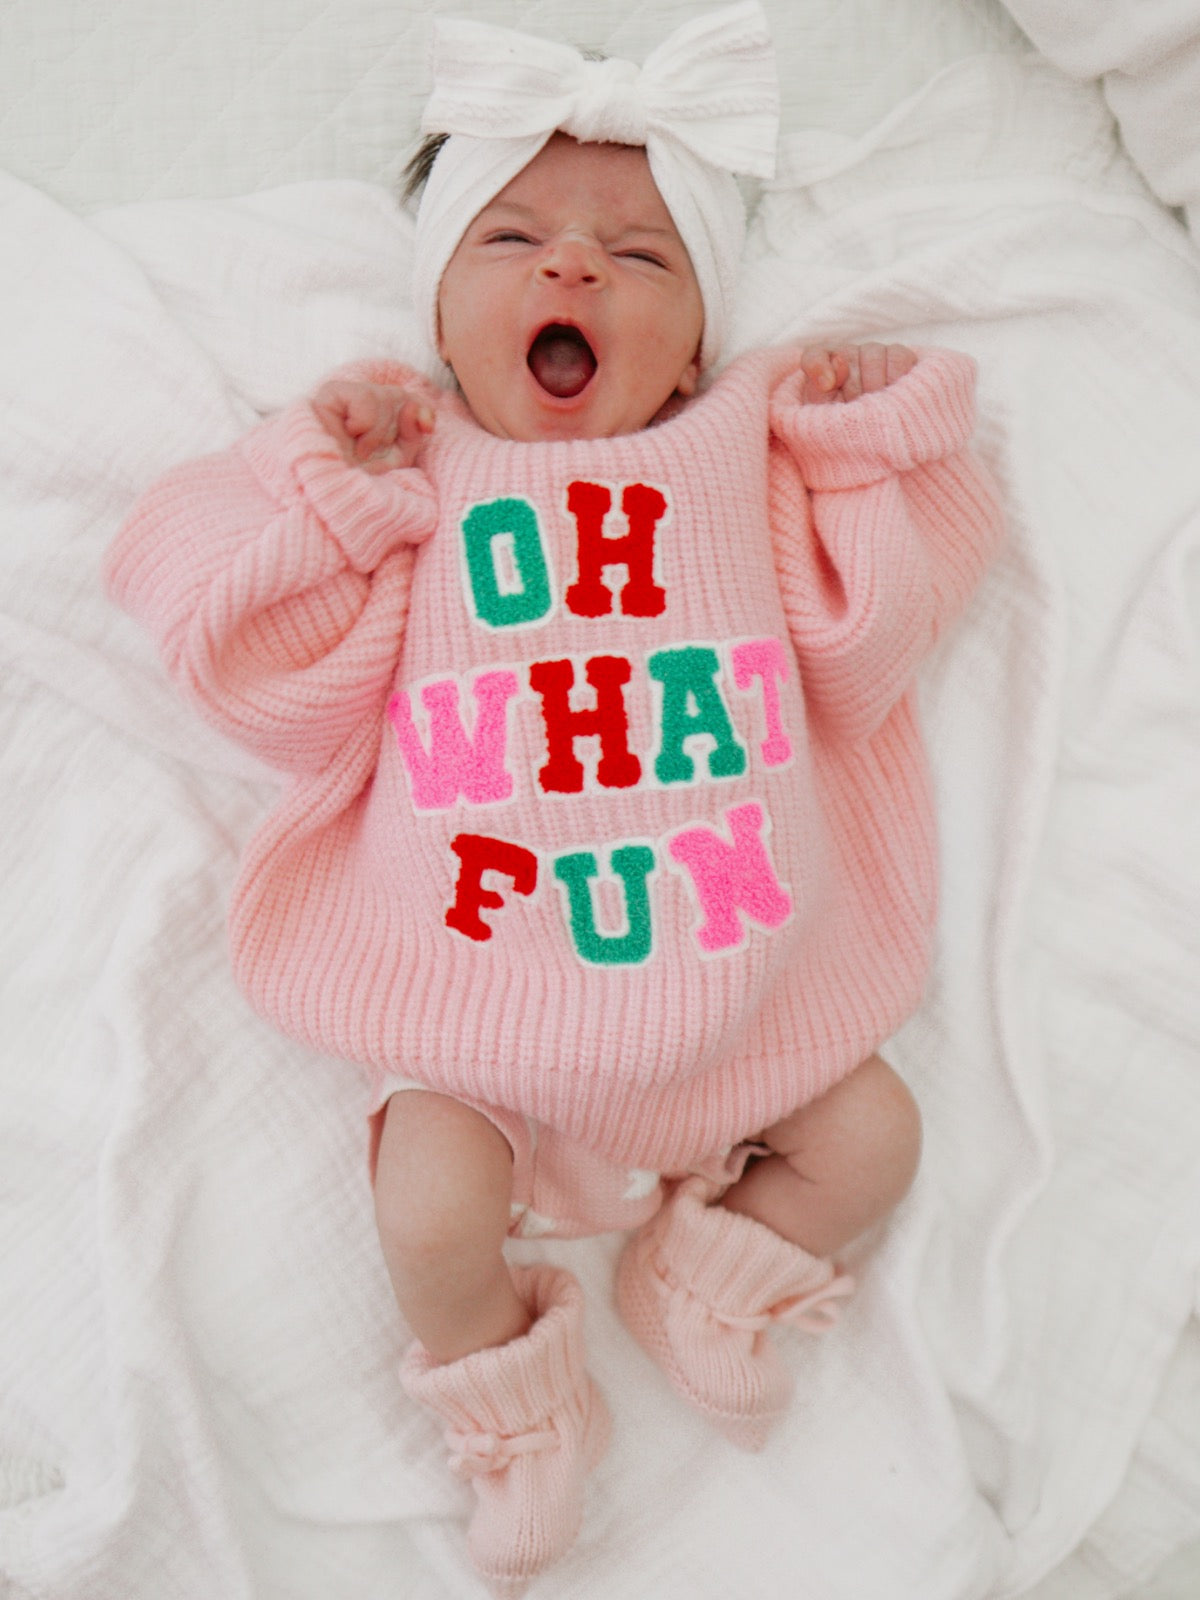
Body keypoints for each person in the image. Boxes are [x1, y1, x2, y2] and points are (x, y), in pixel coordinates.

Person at [105, 4, 1005, 1592]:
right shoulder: (412, 467)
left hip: (742, 997)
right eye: (511, 236)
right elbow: (237, 645)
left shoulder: (745, 453)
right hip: (481, 1001)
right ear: (444, 312)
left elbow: (876, 637)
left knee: (875, 1136)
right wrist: (325, 485)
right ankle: (516, 1422)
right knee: (431, 1208)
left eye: (642, 259)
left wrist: (865, 440)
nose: (572, 268)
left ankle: (713, 1280)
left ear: (700, 342)